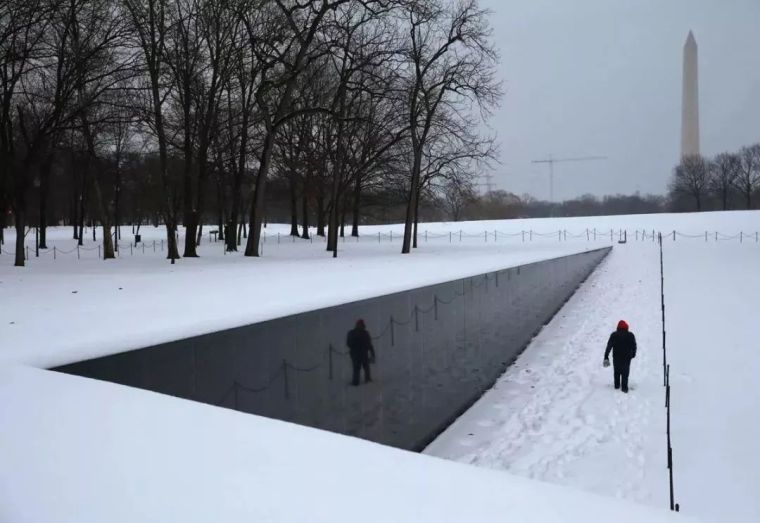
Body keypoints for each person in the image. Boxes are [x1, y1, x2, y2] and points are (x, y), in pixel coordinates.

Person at [604, 320, 637, 393]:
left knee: (617, 371)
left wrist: (606, 355)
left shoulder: (614, 335)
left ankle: (617, 385)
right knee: (625, 372)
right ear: (626, 327)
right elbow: (634, 346)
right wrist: (633, 354)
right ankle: (624, 387)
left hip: (616, 357)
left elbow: (609, 346)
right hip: (627, 357)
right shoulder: (630, 335)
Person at [346, 319, 376, 386]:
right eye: (359, 324)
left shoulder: (364, 333)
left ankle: (366, 380)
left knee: (365, 367)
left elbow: (369, 344)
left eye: (361, 324)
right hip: (356, 354)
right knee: (357, 368)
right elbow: (348, 343)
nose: (360, 326)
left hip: (362, 354)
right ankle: (356, 382)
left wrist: (372, 353)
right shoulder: (352, 333)